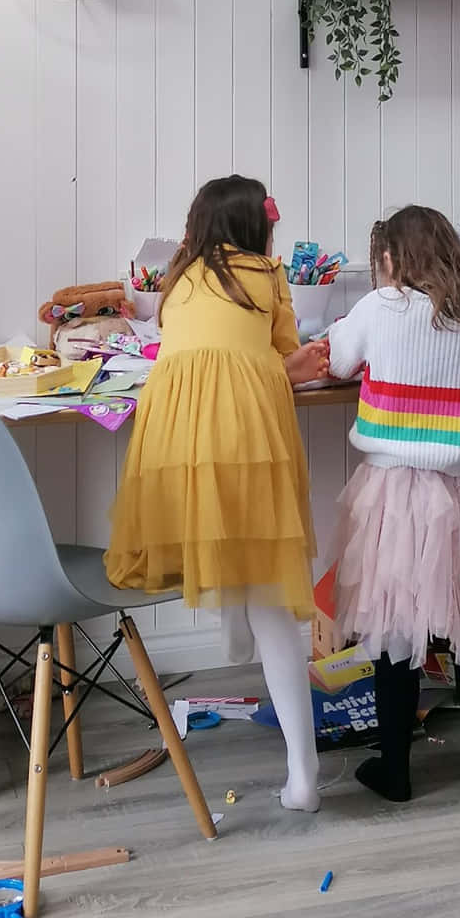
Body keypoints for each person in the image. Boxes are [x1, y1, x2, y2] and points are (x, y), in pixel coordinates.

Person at [106, 177, 329, 811]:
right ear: (255, 228)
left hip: (176, 448)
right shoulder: (268, 276)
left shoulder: (174, 282)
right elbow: (279, 359)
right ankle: (303, 776)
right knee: (275, 601)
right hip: (245, 442)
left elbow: (222, 357)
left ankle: (234, 638)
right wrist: (300, 362)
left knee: (222, 547)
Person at [323, 206, 460, 803]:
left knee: (394, 630)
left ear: (392, 258)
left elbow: (340, 359)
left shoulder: (380, 307)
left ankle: (394, 769)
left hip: (394, 491)